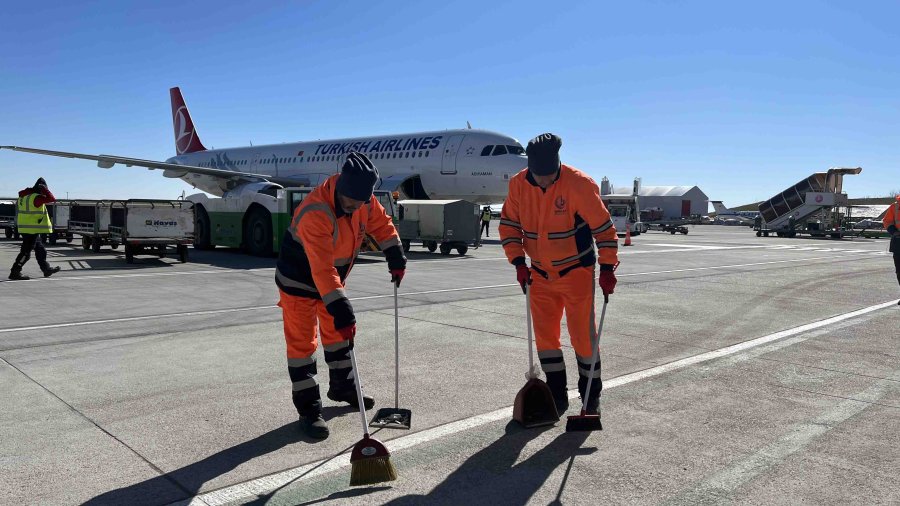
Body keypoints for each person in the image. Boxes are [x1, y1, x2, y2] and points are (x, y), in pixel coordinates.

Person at [275, 152, 407, 439]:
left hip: (331, 281)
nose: (355, 207)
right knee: (302, 347)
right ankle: (309, 409)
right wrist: (340, 305)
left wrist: (395, 253)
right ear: (340, 188)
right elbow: (321, 269)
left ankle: (343, 387)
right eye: (350, 201)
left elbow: (381, 224)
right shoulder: (316, 212)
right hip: (299, 282)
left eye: (361, 202)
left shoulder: (363, 200)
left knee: (339, 336)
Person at [499, 133, 618, 416]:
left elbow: (604, 230)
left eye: (550, 176)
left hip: (576, 270)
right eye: (539, 177)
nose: (544, 182)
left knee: (583, 336)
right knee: (545, 337)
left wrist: (607, 267)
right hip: (538, 273)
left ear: (558, 166)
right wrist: (518, 262)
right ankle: (556, 394)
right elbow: (509, 227)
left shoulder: (579, 184)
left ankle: (591, 396)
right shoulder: (518, 185)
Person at [9, 177, 61, 281]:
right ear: (41, 188)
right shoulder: (36, 198)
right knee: (26, 253)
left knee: (40, 249)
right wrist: (46, 190)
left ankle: (46, 269)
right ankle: (15, 271)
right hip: (31, 229)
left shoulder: (24, 196)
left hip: (26, 227)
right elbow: (52, 199)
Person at [883, 195, 900, 305]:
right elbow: (887, 221)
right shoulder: (895, 206)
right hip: (898, 242)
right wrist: (894, 231)